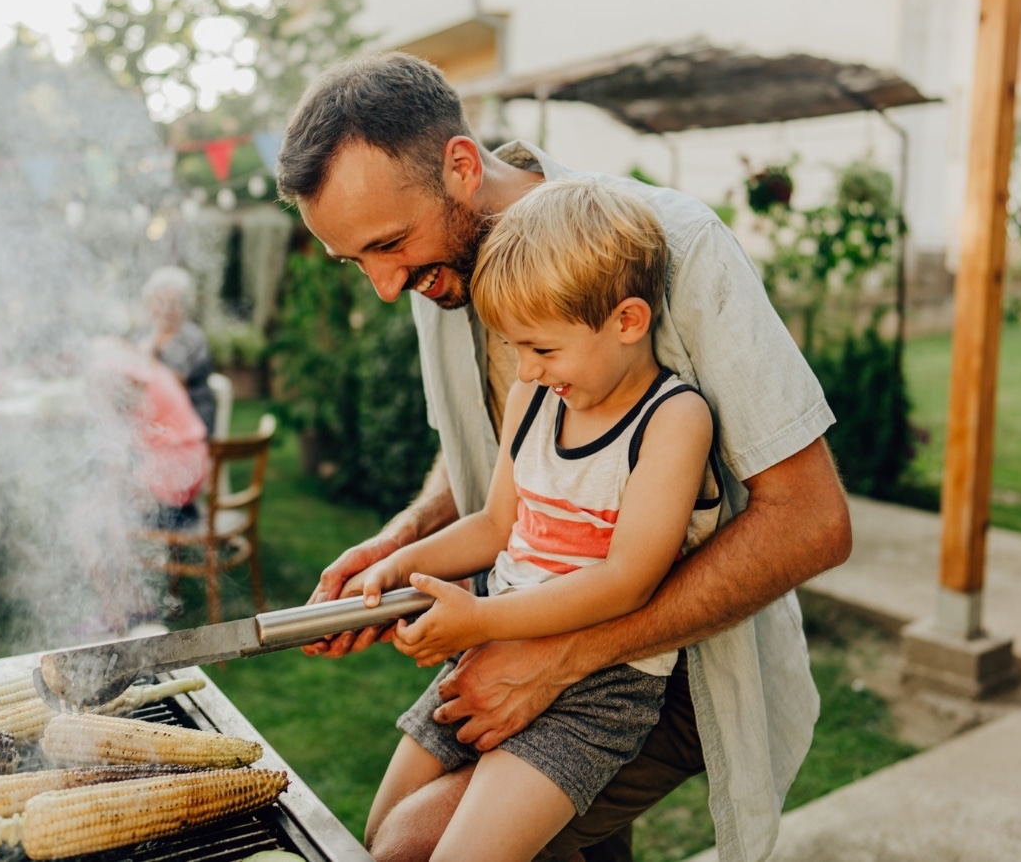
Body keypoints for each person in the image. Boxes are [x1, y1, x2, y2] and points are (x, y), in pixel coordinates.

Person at [276, 52, 852, 862]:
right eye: (356, 261)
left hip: (670, 668)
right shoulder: (440, 270)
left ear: (462, 168)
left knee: (408, 846)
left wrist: (558, 658)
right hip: (521, 625)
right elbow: (492, 463)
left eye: (389, 244)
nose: (382, 284)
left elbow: (813, 522)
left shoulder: (678, 247)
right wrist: (399, 547)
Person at [357, 180, 722, 862]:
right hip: (494, 648)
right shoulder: (535, 395)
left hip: (600, 686)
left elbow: (626, 582)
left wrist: (480, 621)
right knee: (381, 840)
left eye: (543, 349)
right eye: (515, 348)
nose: (524, 370)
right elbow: (497, 526)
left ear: (628, 322)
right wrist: (400, 563)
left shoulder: (672, 421)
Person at [65, 336, 209, 636]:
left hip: (173, 472)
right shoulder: (138, 363)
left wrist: (108, 501)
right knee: (102, 512)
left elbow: (113, 451)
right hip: (189, 466)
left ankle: (116, 617)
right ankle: (139, 604)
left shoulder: (103, 374)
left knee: (85, 522)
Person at [139, 266, 217, 434]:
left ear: (185, 305)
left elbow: (173, 386)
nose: (166, 310)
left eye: (174, 303)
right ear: (150, 304)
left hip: (190, 422)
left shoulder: (192, 338)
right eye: (160, 302)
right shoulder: (143, 334)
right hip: (154, 418)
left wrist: (147, 357)